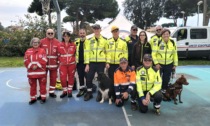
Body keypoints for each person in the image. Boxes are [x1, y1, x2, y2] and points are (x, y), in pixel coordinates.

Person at [84, 24, 107, 101]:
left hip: (101, 63)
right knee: (89, 78)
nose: (96, 30)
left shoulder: (105, 40)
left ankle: (99, 94)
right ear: (93, 30)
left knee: (101, 80)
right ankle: (89, 93)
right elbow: (87, 53)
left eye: (98, 29)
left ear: (100, 29)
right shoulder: (89, 40)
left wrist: (107, 63)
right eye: (95, 29)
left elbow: (107, 52)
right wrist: (87, 64)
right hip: (92, 63)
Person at [152, 29, 178, 94]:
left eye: (167, 34)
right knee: (157, 78)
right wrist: (156, 63)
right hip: (159, 64)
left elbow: (175, 54)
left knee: (166, 78)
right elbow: (153, 54)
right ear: (162, 35)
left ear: (169, 35)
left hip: (169, 64)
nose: (166, 35)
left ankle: (164, 89)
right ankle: (156, 89)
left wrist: (175, 64)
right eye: (164, 34)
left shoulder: (172, 42)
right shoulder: (158, 42)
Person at [24, 37, 47, 104]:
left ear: (39, 43)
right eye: (34, 42)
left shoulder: (42, 50)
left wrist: (36, 66)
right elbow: (25, 60)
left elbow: (44, 60)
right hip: (31, 73)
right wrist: (31, 66)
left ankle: (43, 98)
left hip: (41, 72)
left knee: (42, 86)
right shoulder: (28, 51)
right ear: (32, 43)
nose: (35, 44)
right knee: (32, 87)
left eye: (37, 42)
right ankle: (33, 98)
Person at [40, 28, 60, 98]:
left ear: (54, 34)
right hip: (44, 65)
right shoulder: (41, 42)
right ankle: (42, 93)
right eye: (49, 33)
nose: (50, 34)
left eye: (52, 33)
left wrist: (58, 63)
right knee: (42, 80)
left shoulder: (57, 42)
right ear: (46, 34)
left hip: (54, 65)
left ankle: (51, 92)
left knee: (53, 79)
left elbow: (59, 53)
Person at [57, 32, 76, 98]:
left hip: (71, 64)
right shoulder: (59, 45)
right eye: (65, 36)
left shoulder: (73, 45)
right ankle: (64, 91)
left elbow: (76, 54)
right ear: (63, 37)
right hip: (63, 65)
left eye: (67, 36)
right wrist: (59, 61)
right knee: (63, 78)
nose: (66, 37)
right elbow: (57, 54)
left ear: (69, 37)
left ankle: (70, 91)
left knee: (71, 77)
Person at [75, 29, 89, 97]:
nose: (82, 34)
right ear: (79, 34)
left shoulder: (89, 42)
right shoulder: (76, 43)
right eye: (81, 33)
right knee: (80, 77)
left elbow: (90, 54)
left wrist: (88, 64)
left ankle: (88, 90)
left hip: (86, 63)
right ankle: (82, 89)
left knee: (88, 77)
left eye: (83, 33)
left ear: (85, 34)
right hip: (79, 63)